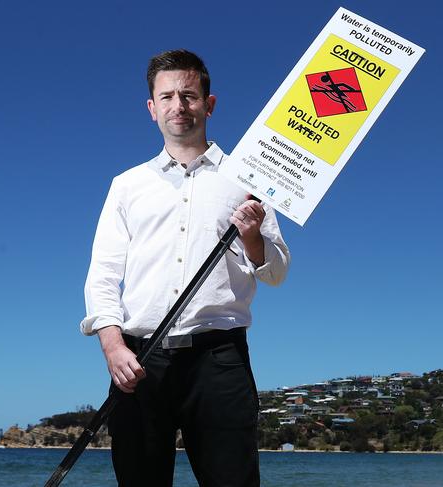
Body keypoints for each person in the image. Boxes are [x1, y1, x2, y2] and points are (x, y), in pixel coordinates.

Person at [79, 49, 290, 487]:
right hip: (139, 361)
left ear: (209, 104)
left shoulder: (249, 177)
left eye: (190, 95)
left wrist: (252, 236)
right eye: (168, 96)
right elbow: (102, 274)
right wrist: (113, 346)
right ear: (152, 108)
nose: (180, 106)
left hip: (219, 361)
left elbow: (276, 271)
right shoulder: (127, 185)